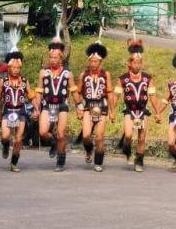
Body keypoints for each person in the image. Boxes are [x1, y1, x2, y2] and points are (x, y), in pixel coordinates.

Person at [110, 39, 162, 172]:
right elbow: (116, 96)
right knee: (128, 135)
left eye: (139, 62)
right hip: (129, 110)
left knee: (142, 137)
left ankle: (139, 161)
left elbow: (152, 96)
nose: (137, 65)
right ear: (129, 63)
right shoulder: (123, 79)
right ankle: (126, 148)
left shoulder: (147, 78)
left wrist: (157, 112)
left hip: (143, 110)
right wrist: (112, 111)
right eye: (135, 62)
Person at [0, 40, 37, 173]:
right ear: (9, 68)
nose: (16, 70)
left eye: (18, 68)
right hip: (8, 111)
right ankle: (5, 146)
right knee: (5, 136)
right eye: (14, 68)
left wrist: (36, 108)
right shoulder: (4, 81)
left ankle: (14, 162)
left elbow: (31, 96)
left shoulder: (24, 81)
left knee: (18, 139)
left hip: (21, 111)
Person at [36, 36, 74, 171]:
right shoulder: (43, 72)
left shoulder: (67, 73)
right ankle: (53, 143)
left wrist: (80, 106)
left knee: (62, 134)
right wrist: (36, 108)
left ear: (61, 57)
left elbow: (73, 90)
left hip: (62, 105)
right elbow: (39, 91)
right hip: (47, 105)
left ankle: (60, 161)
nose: (52, 60)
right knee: (43, 132)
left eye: (55, 58)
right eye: (51, 57)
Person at [75, 40, 113, 171]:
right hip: (88, 106)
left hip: (102, 105)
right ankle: (89, 150)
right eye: (91, 61)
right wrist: (79, 108)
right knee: (86, 136)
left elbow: (110, 93)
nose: (93, 64)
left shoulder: (106, 74)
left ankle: (98, 162)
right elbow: (78, 93)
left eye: (96, 61)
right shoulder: (83, 75)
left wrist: (112, 111)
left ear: (101, 62)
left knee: (99, 136)